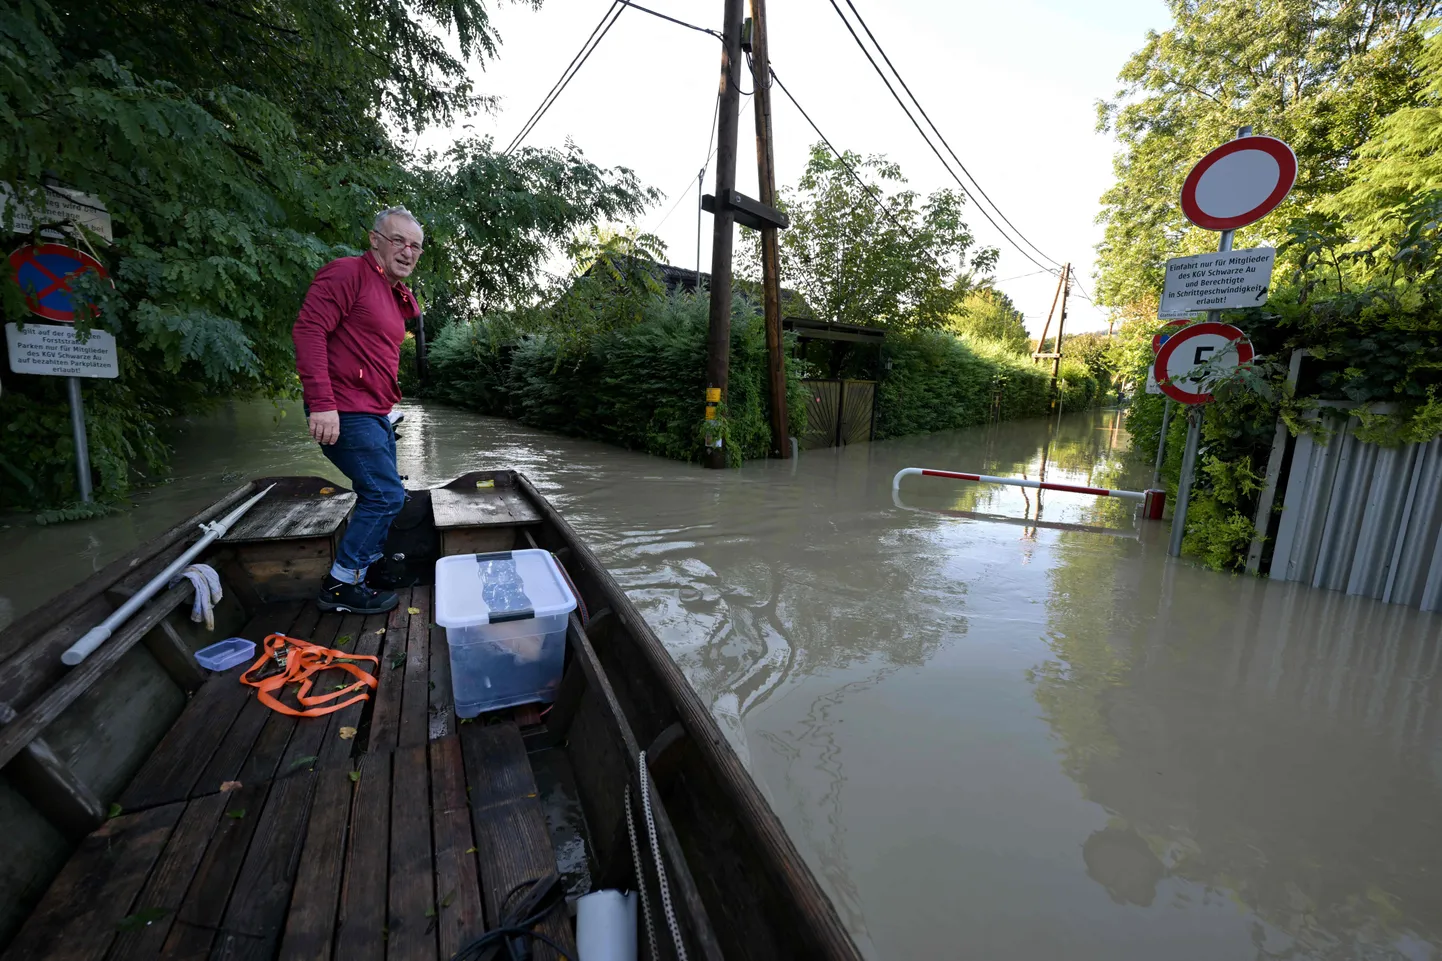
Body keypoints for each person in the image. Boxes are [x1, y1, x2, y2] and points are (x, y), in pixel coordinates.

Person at [293, 206, 423, 614]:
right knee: (385, 495)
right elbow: (309, 330)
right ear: (374, 240)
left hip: (374, 411)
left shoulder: (390, 290)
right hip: (345, 409)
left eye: (416, 246)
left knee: (383, 493)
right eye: (398, 240)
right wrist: (322, 404)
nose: (407, 251)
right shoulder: (347, 273)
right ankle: (339, 586)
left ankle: (366, 570)